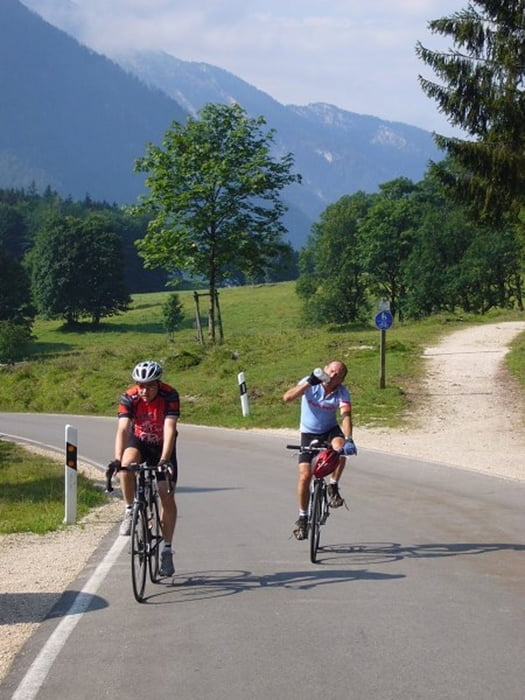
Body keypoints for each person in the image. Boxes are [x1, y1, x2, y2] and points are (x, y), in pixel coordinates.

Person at [107, 360, 180, 577]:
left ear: (158, 384)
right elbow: (122, 429)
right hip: (138, 441)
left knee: (165, 493)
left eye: (148, 385)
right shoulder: (129, 397)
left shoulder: (169, 395)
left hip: (161, 446)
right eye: (140, 385)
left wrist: (165, 459)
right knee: (126, 466)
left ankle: (166, 549)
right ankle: (130, 509)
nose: (144, 390)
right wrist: (117, 459)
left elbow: (169, 427)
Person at [282, 360, 357, 540]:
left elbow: (346, 416)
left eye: (337, 374)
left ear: (341, 380)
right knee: (305, 476)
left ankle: (333, 486)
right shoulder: (311, 383)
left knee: (341, 449)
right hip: (308, 433)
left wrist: (349, 439)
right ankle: (302, 518)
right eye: (331, 371)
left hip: (330, 430)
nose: (332, 376)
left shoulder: (342, 392)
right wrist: (309, 382)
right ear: (324, 370)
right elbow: (287, 398)